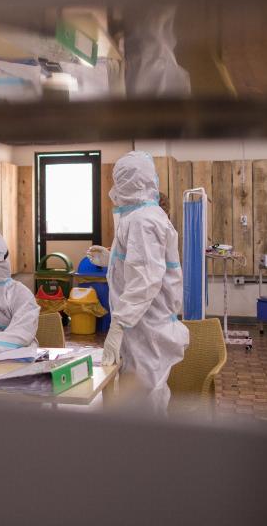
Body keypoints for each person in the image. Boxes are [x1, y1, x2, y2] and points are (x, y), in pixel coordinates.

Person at [99, 151, 189, 412]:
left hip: (146, 326)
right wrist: (111, 259)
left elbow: (145, 280)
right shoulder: (141, 216)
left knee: (145, 401)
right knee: (143, 397)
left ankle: (149, 451)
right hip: (143, 325)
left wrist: (119, 324)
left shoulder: (142, 220)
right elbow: (144, 266)